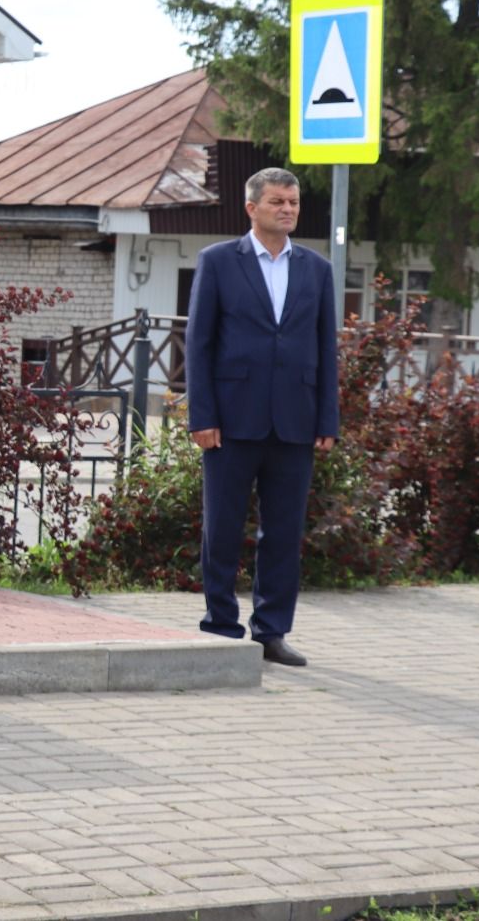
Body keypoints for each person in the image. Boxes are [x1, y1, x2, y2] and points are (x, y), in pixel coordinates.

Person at [184, 167, 338, 667]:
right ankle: (221, 627)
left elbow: (324, 347)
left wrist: (327, 420)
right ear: (251, 208)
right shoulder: (218, 262)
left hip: (295, 421)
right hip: (230, 421)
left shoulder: (317, 269)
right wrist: (201, 415)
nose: (288, 209)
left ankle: (271, 631)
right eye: (277, 202)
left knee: (285, 532)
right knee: (222, 528)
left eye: (293, 202)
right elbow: (199, 343)